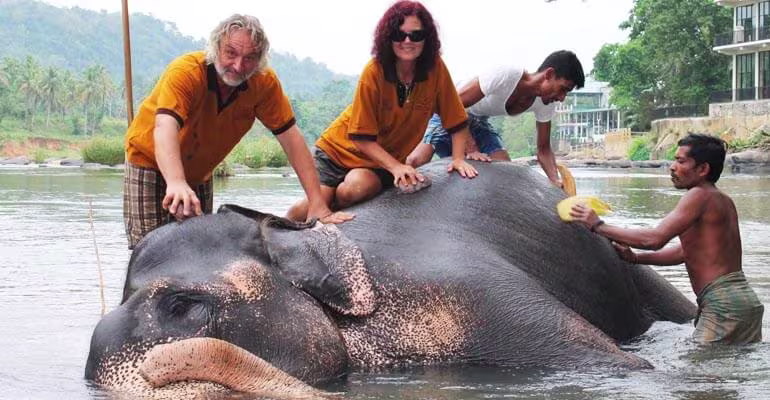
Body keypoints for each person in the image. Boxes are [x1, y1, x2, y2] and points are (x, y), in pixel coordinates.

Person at [123, 14, 351, 249]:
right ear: (215, 48)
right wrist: (176, 182)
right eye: (230, 53)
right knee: (148, 250)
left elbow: (291, 139)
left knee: (198, 249)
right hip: (149, 161)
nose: (238, 66)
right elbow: (165, 126)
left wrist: (317, 203)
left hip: (199, 171)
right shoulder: (187, 71)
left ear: (260, 60)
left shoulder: (263, 84)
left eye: (249, 58)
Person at [286, 0, 487, 222]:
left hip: (380, 159)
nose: (407, 41)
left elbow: (456, 121)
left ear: (427, 39)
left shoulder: (435, 70)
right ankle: (287, 220)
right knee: (310, 207)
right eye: (400, 35)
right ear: (388, 38)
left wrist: (458, 158)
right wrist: (397, 167)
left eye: (416, 35)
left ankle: (333, 202)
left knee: (356, 189)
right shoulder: (374, 71)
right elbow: (360, 138)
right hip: (338, 151)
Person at [570, 133, 764, 344]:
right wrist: (636, 258)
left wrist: (599, 225)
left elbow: (655, 239)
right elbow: (685, 251)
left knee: (699, 374)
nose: (672, 167)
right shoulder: (723, 200)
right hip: (745, 302)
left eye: (681, 161)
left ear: (702, 169)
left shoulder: (698, 195)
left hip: (723, 303)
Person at [406, 50, 585, 188]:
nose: (562, 98)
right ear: (549, 74)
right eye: (563, 89)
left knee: (506, 169)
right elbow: (454, 106)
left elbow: (544, 149)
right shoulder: (507, 74)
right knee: (416, 161)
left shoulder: (546, 103)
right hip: (450, 110)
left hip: (480, 121)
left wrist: (555, 181)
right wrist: (471, 147)